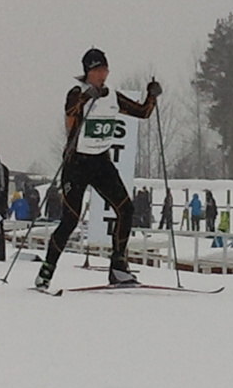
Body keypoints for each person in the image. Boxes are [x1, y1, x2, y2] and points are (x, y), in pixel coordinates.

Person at [35, 47, 160, 290]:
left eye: (105, 70)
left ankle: (118, 269)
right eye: (98, 70)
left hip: (100, 162)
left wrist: (152, 95)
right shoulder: (76, 92)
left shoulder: (112, 96)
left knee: (126, 209)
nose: (103, 75)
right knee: (70, 220)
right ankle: (46, 271)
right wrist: (86, 97)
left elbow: (143, 112)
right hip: (76, 164)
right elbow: (70, 111)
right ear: (88, 72)